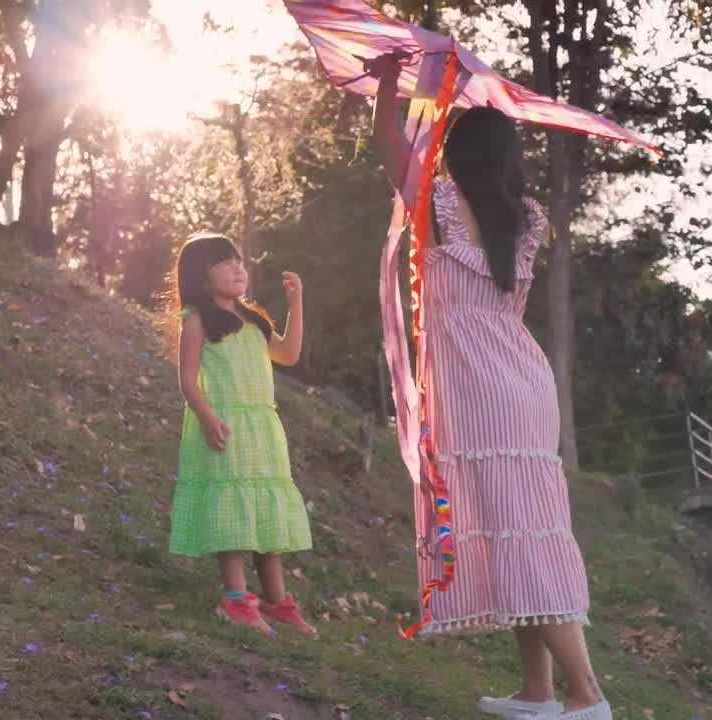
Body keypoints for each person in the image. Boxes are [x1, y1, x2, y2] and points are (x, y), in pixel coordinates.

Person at [367, 54, 610, 720]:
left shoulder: (444, 203)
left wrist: (389, 79)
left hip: (480, 388)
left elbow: (387, 142)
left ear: (456, 154)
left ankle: (587, 695)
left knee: (518, 534)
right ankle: (538, 693)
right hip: (522, 382)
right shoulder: (526, 217)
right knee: (519, 534)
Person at [167, 233, 317, 638]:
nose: (238, 269)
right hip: (226, 426)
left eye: (239, 262)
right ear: (201, 275)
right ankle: (236, 599)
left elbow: (288, 354)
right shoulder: (197, 320)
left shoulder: (253, 322)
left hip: (262, 430)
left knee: (265, 512)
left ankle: (277, 601)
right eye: (225, 262)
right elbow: (186, 378)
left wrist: (296, 305)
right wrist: (207, 417)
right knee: (232, 509)